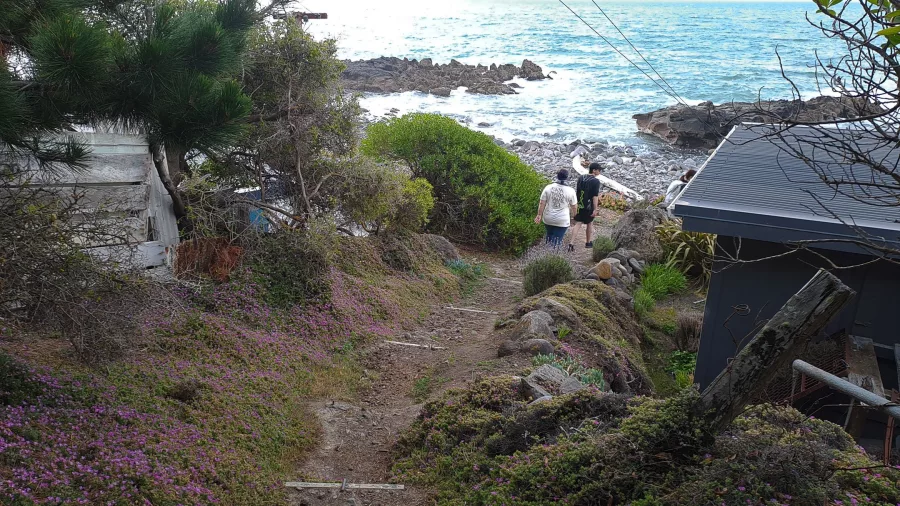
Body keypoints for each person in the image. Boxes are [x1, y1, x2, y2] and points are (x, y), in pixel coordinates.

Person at [534, 169, 577, 247]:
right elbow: (574, 206)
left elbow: (542, 202)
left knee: (549, 236)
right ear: (567, 178)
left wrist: (539, 215)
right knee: (557, 240)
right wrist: (575, 216)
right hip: (562, 219)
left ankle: (545, 255)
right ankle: (552, 256)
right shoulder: (571, 191)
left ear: (557, 176)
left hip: (548, 218)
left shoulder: (548, 187)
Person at [568, 162, 603, 252]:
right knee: (589, 223)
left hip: (579, 204)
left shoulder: (581, 177)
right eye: (599, 170)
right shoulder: (595, 181)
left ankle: (571, 243)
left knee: (578, 223)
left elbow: (578, 191)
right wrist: (595, 209)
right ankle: (588, 242)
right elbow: (595, 196)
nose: (599, 172)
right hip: (588, 206)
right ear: (594, 170)